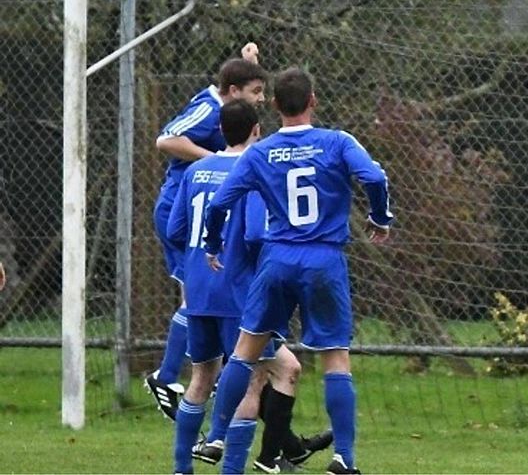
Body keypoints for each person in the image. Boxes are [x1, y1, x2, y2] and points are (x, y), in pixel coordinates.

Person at [197, 67, 392, 475]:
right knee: (335, 358)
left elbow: (219, 204)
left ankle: (216, 437)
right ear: (313, 101)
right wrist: (380, 216)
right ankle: (344, 460)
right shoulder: (337, 142)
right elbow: (374, 175)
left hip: (277, 259)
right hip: (323, 259)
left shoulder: (259, 152)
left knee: (245, 353)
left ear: (272, 105)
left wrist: (213, 244)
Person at [166, 99, 333, 474]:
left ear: (220, 131)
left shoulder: (197, 170)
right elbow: (256, 233)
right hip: (238, 290)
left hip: (197, 292)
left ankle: (181, 468)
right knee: (252, 378)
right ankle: (235, 467)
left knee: (200, 377)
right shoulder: (254, 171)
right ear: (257, 129)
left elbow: (175, 229)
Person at [146, 44, 267, 420]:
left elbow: (239, 93)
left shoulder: (229, 102)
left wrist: (250, 66)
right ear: (232, 91)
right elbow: (166, 139)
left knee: (200, 292)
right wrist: (212, 160)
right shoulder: (207, 109)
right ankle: (166, 377)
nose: (261, 100)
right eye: (256, 92)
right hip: (182, 211)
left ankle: (194, 376)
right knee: (196, 292)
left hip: (202, 212)